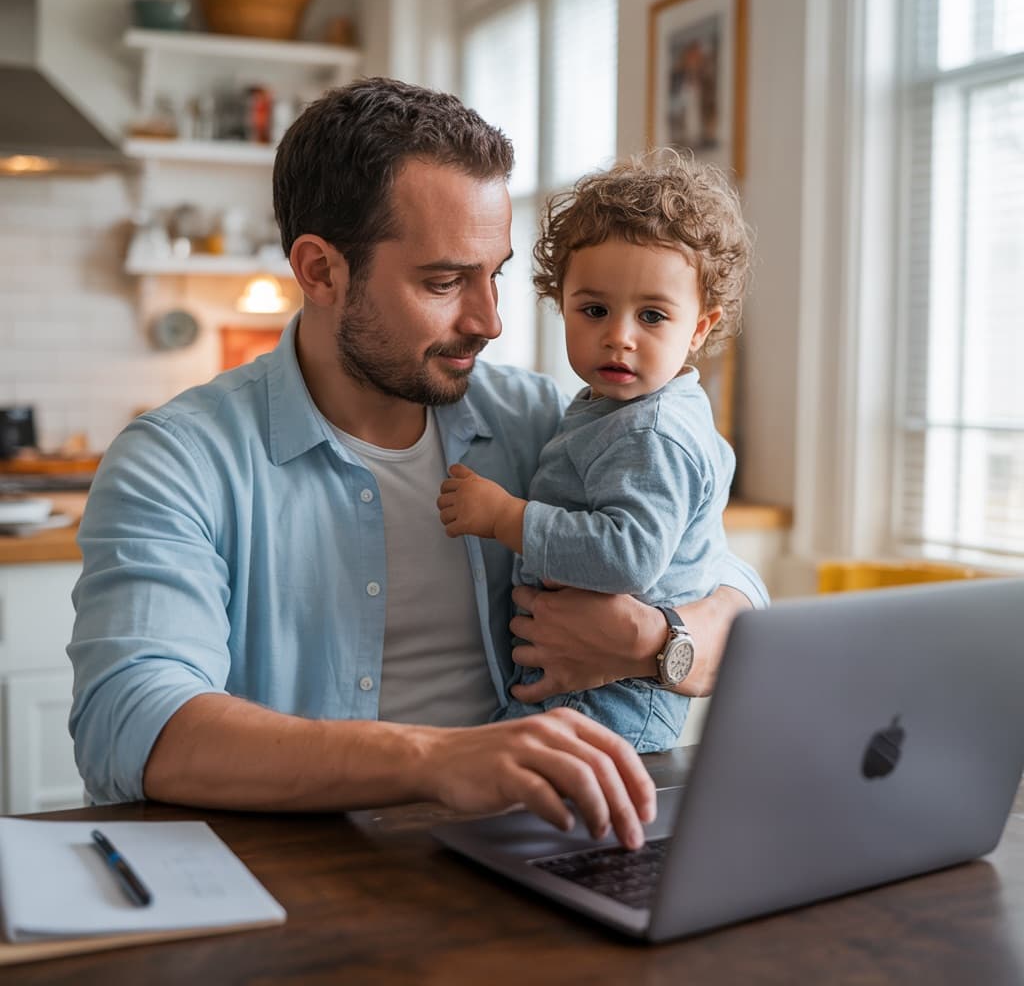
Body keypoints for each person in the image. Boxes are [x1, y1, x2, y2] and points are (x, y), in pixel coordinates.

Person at [67, 78, 767, 851]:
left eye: (495, 275)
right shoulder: (176, 461)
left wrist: (653, 640)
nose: (490, 321)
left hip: (524, 847)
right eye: (444, 282)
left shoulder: (546, 422)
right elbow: (132, 724)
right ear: (321, 271)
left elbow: (735, 594)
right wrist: (438, 760)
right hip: (294, 870)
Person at [438, 152, 752, 752]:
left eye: (652, 315)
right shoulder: (619, 409)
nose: (619, 336)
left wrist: (507, 517)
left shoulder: (651, 430)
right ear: (561, 303)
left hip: (602, 698)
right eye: (594, 310)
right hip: (592, 688)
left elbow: (629, 558)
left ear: (699, 328)